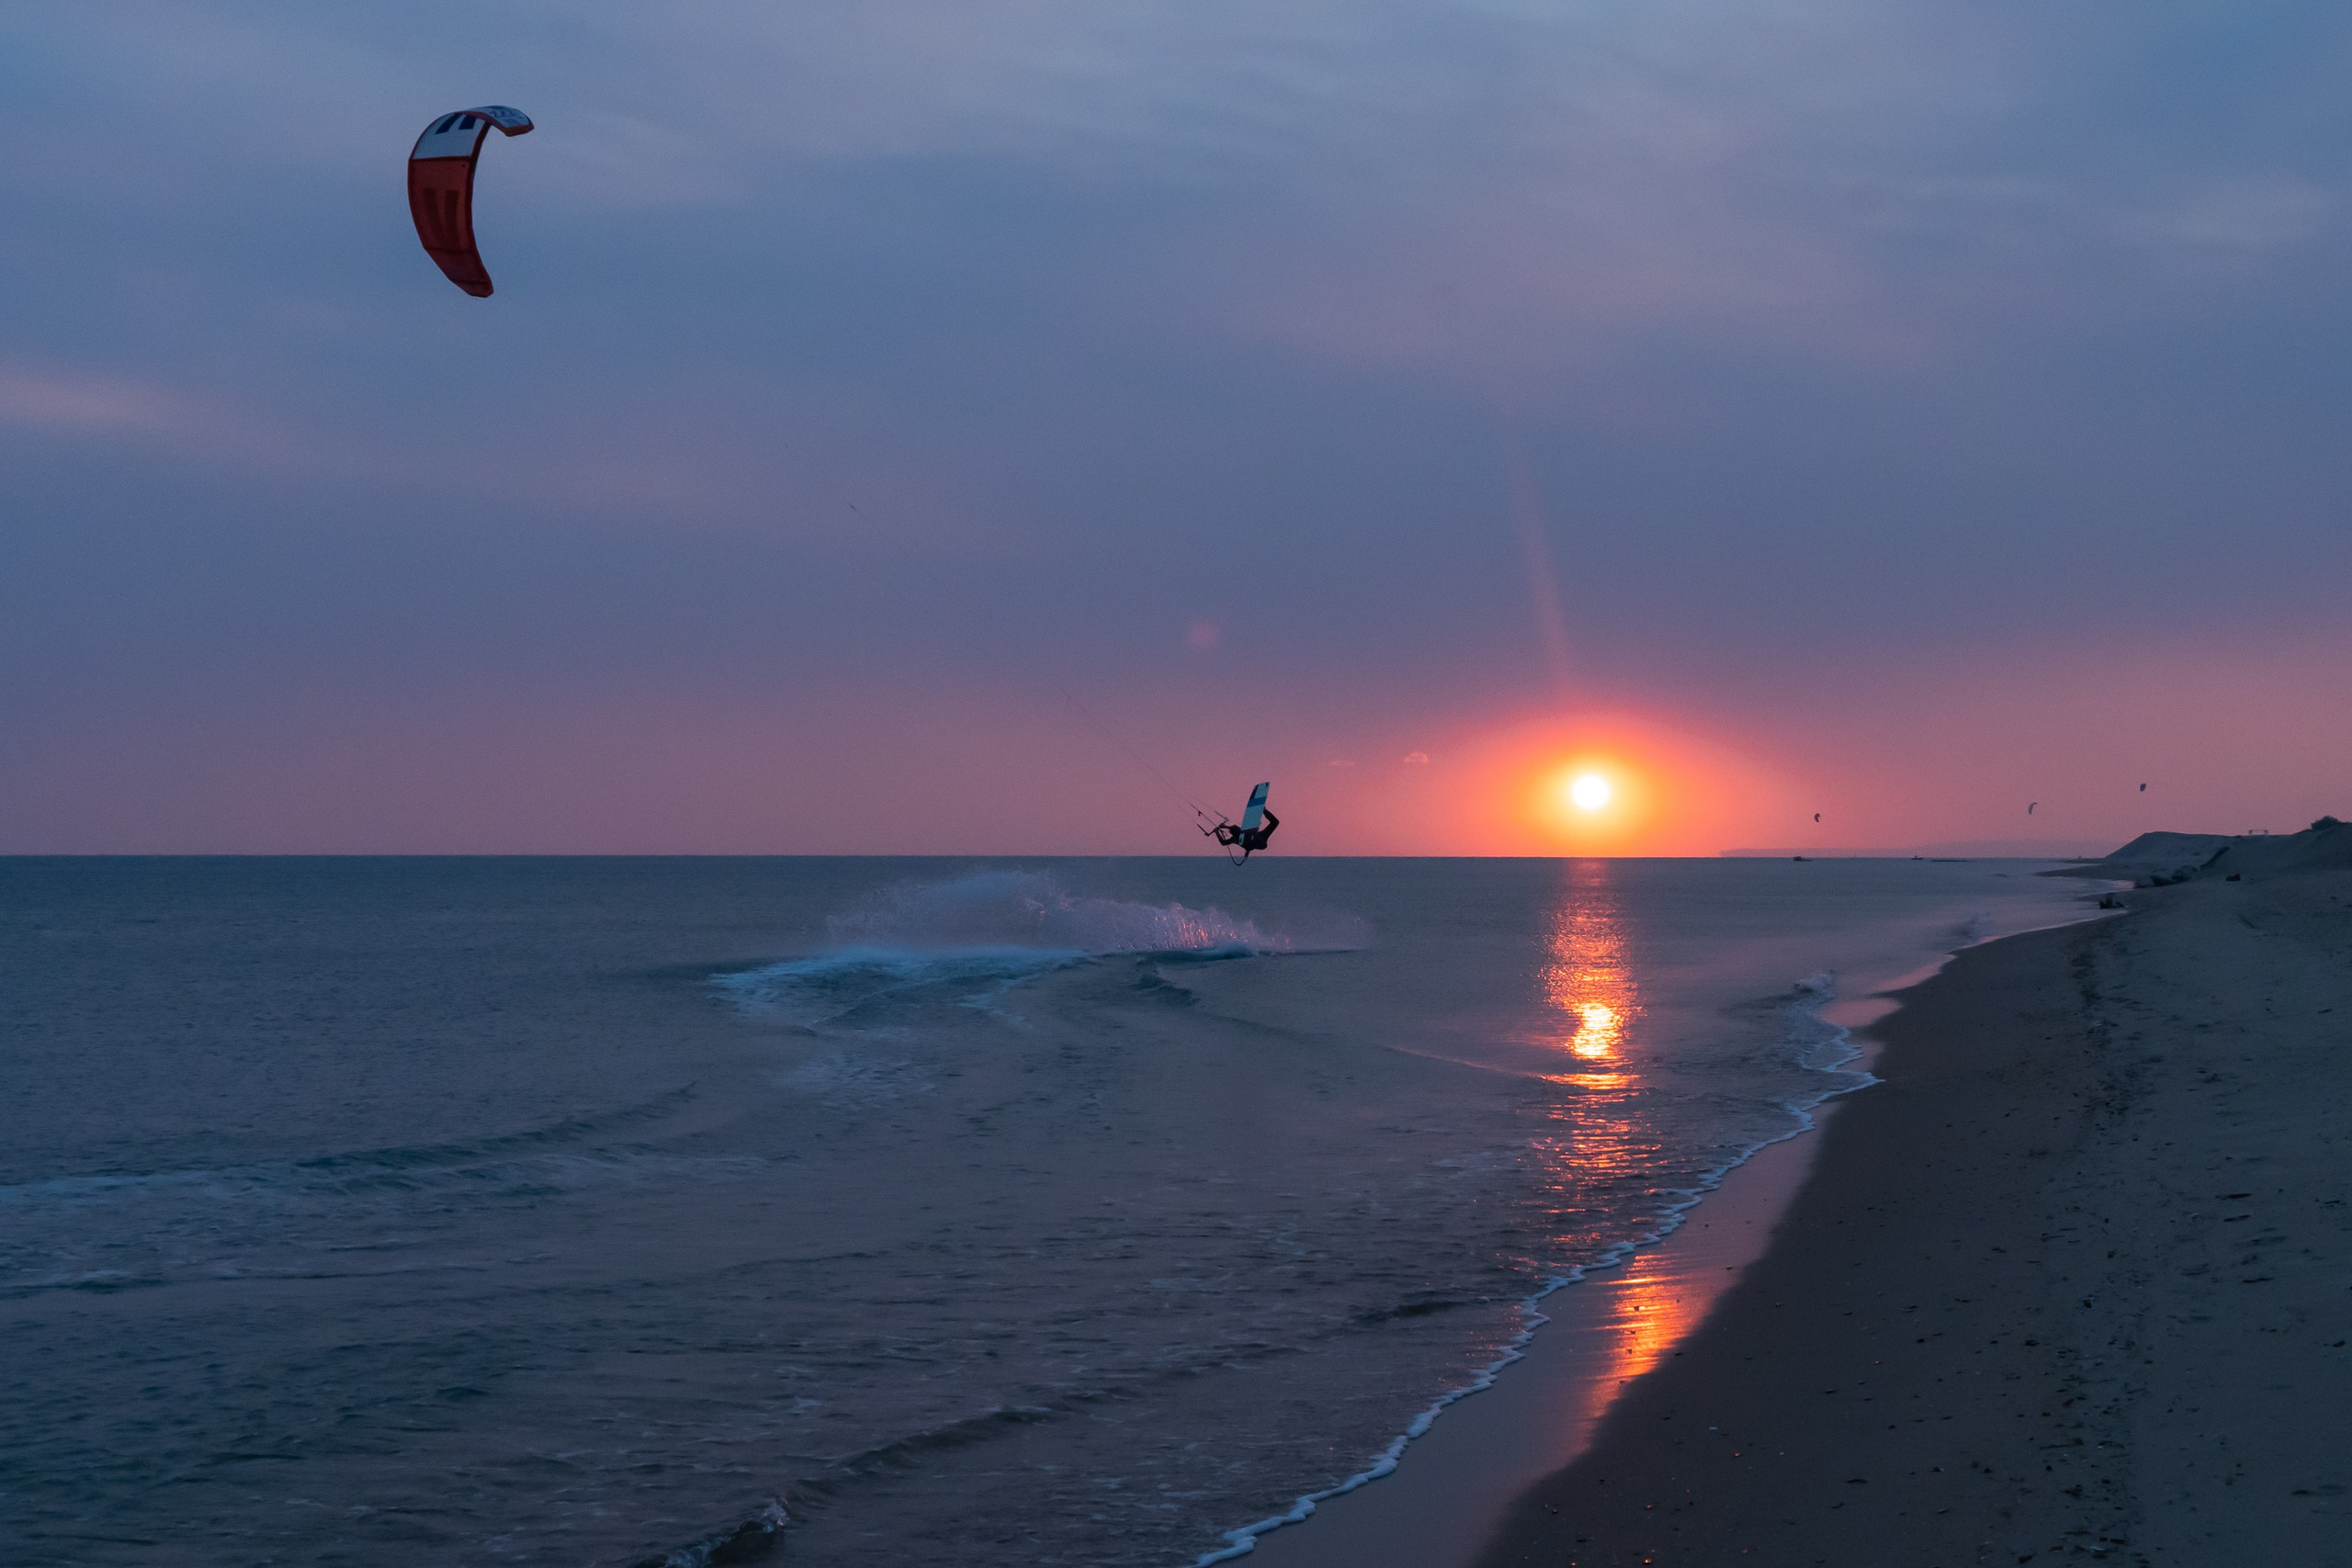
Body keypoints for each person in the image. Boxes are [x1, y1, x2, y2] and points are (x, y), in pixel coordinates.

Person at [1212, 810, 1279, 856]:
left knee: (1275, 823)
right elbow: (1224, 843)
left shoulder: (1234, 839)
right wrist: (1217, 831)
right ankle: (1264, 810)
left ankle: (1264, 810)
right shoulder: (1235, 839)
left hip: (1259, 838)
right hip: (1260, 841)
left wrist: (1217, 832)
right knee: (1275, 822)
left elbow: (1223, 843)